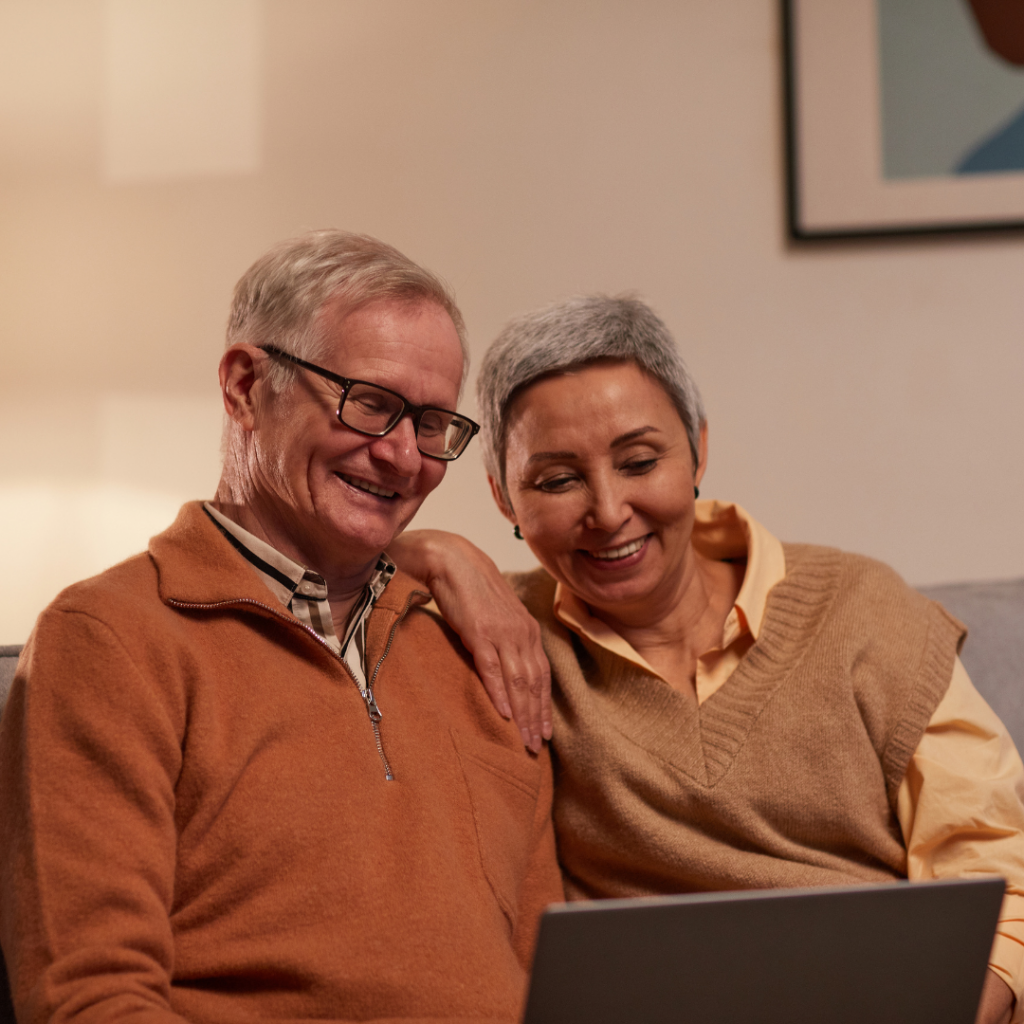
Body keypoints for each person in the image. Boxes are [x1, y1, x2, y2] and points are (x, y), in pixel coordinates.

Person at [393, 294, 1024, 1024]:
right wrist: (427, 550)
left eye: (639, 461)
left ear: (697, 447)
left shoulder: (864, 610)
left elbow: (999, 869)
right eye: (557, 480)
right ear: (503, 497)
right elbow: (283, 561)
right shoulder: (497, 639)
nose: (607, 511)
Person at [0, 230, 562, 1024]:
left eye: (433, 423)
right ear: (244, 387)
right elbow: (91, 999)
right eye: (370, 403)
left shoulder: (480, 647)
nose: (403, 456)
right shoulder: (110, 640)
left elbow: (558, 981)